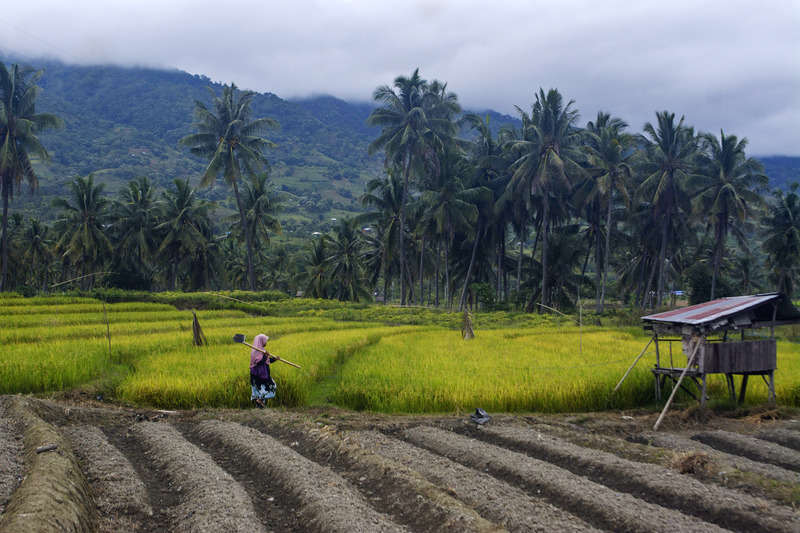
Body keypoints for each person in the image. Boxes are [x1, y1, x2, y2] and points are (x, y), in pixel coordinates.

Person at [250, 334, 277, 408]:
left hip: (264, 374)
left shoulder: (262, 350)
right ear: (261, 341)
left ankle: (260, 405)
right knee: (271, 387)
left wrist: (274, 359)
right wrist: (266, 356)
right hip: (259, 375)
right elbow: (259, 362)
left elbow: (267, 361)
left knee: (263, 389)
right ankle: (259, 401)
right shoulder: (256, 352)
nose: (266, 342)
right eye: (265, 341)